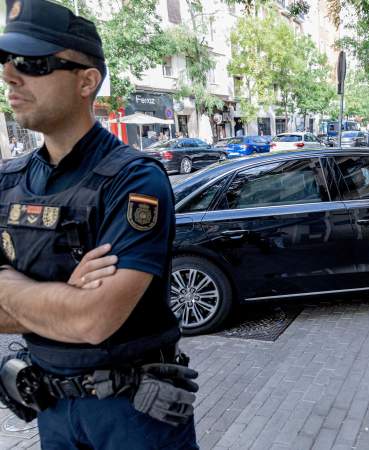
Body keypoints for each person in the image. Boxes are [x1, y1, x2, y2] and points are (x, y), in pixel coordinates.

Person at [0, 1, 198, 448]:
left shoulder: (133, 178)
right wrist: (64, 295)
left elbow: (94, 320)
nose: (11, 76)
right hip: (51, 411)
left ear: (86, 81)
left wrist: (12, 285)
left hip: (134, 416)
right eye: (7, 62)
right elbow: (76, 314)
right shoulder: (8, 182)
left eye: (33, 63)